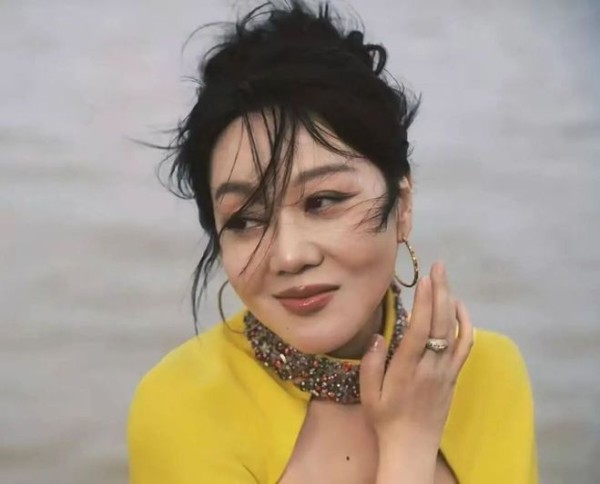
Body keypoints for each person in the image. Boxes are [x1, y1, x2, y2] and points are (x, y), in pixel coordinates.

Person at [127, 2, 537, 483]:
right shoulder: (182, 408)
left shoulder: (489, 375)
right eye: (245, 220)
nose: (289, 255)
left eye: (322, 201)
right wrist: (408, 444)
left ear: (402, 205)